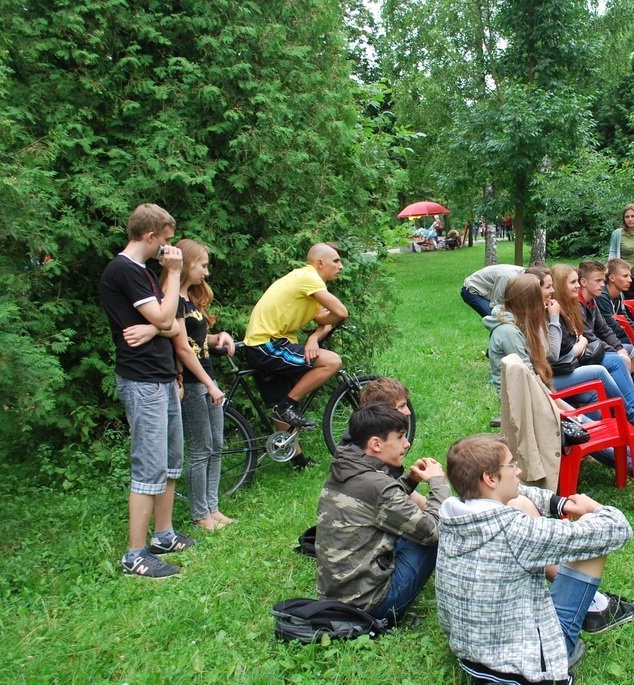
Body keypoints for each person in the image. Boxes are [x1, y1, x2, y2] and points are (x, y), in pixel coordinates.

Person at [436, 434, 634, 685]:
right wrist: (594, 509)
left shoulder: (452, 515)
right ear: (490, 478)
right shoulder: (516, 532)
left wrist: (560, 504)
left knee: (520, 501)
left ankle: (592, 606)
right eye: (512, 465)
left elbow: (518, 493)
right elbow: (617, 529)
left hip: (471, 651)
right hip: (523, 664)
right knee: (590, 528)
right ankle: (592, 612)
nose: (519, 471)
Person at [98, 203, 196, 578]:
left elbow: (172, 324)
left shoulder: (144, 273)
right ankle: (134, 556)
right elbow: (166, 316)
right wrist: (173, 275)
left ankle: (164, 535)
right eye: (166, 241)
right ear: (150, 236)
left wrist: (155, 326)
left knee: (169, 461)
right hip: (142, 382)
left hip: (163, 376)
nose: (168, 249)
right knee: (148, 466)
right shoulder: (124, 270)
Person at [315, 404, 449, 624]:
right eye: (400, 437)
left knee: (409, 527)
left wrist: (409, 481)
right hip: (371, 606)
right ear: (376, 444)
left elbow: (378, 504)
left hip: (334, 598)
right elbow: (433, 531)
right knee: (436, 534)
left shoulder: (343, 466)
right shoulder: (379, 486)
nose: (407, 443)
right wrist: (439, 483)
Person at [242, 243, 348, 440]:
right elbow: (341, 312)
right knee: (332, 361)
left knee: (281, 404)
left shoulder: (307, 282)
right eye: (336, 261)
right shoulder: (310, 279)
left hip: (266, 345)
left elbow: (324, 321)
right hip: (266, 345)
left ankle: (294, 454)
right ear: (320, 263)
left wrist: (313, 338)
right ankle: (287, 406)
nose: (340, 266)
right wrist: (321, 330)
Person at [164, 240, 236, 532]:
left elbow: (197, 340)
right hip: (194, 383)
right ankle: (199, 514)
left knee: (216, 445)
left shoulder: (191, 299)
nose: (206, 272)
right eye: (202, 265)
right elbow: (183, 349)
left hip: (208, 378)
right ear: (187, 263)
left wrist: (220, 337)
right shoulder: (174, 302)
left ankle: (213, 508)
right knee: (200, 448)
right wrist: (209, 385)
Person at [551, 264, 634, 436]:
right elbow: (575, 343)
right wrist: (584, 345)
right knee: (615, 363)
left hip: (576, 360)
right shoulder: (562, 310)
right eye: (573, 282)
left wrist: (618, 348)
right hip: (566, 368)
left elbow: (604, 329)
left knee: (628, 353)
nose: (577, 286)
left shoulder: (575, 305)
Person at [577, 260, 634, 372]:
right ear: (583, 282)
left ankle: (629, 378)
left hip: (598, 346)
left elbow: (605, 329)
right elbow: (589, 336)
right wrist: (616, 351)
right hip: (586, 353)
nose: (603, 284)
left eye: (603, 280)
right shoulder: (578, 304)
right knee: (619, 361)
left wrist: (619, 348)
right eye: (598, 281)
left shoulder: (592, 301)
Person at [460, 263, 526, 318]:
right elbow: (496, 304)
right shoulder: (507, 278)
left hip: (489, 290)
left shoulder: (525, 274)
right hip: (473, 289)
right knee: (497, 319)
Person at [596, 258, 634, 346]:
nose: (630, 280)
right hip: (604, 340)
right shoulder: (601, 296)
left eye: (630, 276)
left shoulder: (620, 294)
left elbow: (624, 319)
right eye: (625, 276)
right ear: (612, 278)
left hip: (617, 336)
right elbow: (612, 327)